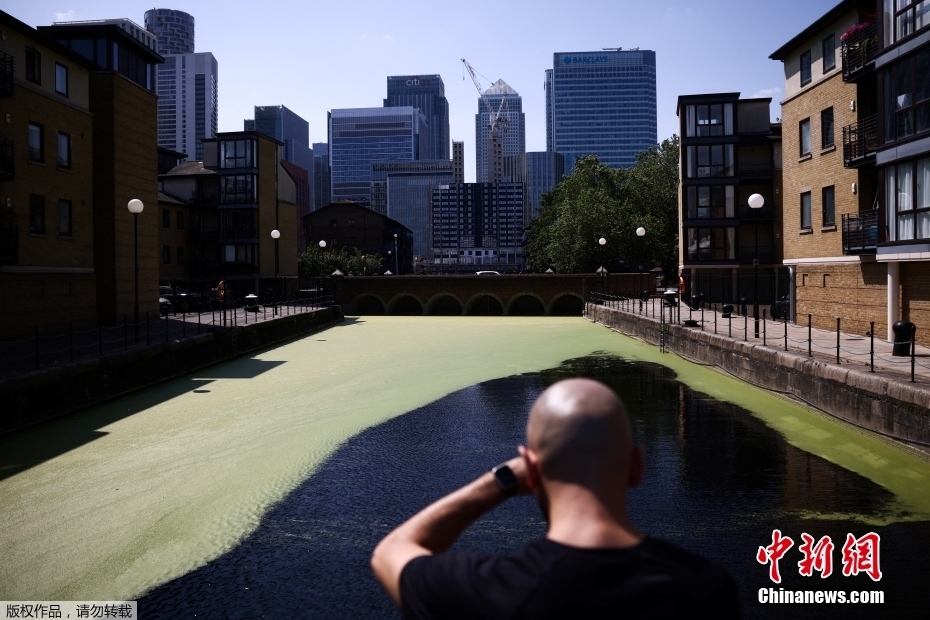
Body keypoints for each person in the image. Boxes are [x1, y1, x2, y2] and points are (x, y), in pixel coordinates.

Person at [371, 378, 740, 619]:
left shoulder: (489, 591)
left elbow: (391, 552)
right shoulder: (709, 591)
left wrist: (501, 480)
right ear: (636, 467)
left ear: (531, 472)